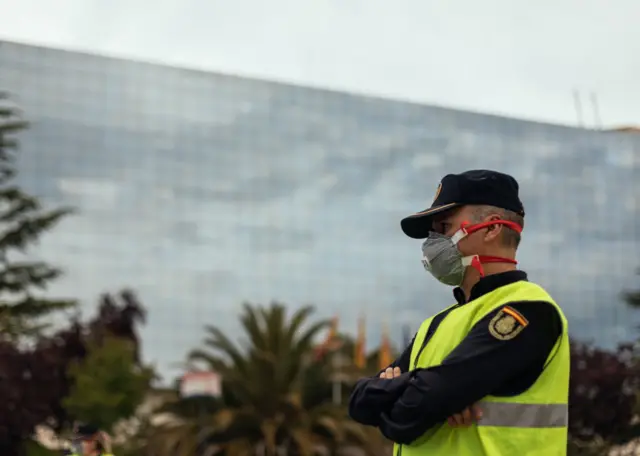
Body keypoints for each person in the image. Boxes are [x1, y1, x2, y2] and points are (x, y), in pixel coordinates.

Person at [348, 170, 569, 456]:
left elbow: (413, 410)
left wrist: (409, 392)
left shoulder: (529, 310)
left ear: (491, 229)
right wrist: (432, 395)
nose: (431, 242)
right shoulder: (436, 324)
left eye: (444, 227)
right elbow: (360, 402)